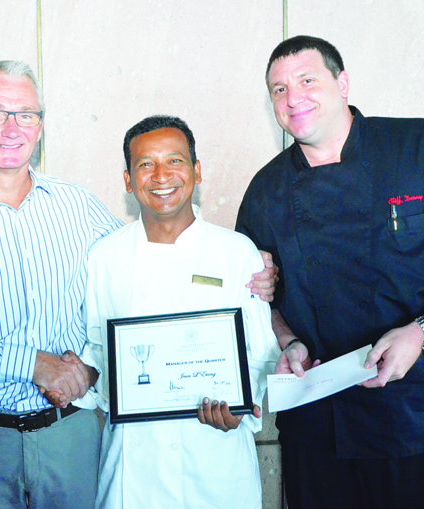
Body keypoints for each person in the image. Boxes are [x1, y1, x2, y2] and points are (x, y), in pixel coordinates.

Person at [0, 61, 278, 509]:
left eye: (26, 114)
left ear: (40, 125)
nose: (12, 128)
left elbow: (153, 254)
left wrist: (256, 273)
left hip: (69, 433)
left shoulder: (79, 209)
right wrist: (30, 363)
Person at [236, 35, 424, 509]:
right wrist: (288, 341)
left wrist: (421, 332)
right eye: (278, 89)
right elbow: (260, 299)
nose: (293, 97)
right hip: (322, 436)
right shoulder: (265, 192)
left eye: (306, 80)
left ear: (343, 83)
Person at [70, 115, 280, 509]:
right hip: (134, 466)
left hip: (217, 456)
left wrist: (241, 408)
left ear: (197, 171)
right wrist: (80, 377)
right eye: (145, 164)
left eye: (175, 161)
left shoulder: (236, 252)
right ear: (129, 181)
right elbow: (97, 348)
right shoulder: (105, 257)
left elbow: (262, 351)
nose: (161, 175)